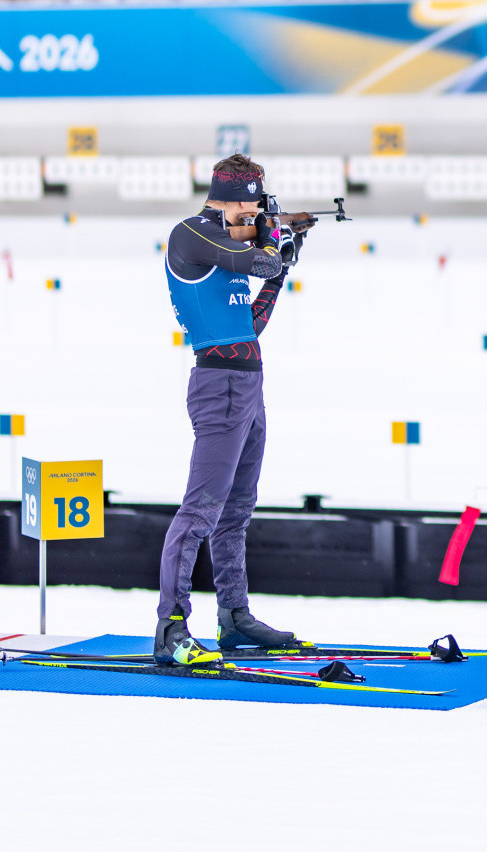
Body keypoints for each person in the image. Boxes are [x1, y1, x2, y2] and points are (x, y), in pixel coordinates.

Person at [154, 155, 311, 665]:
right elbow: (259, 259)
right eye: (255, 201)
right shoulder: (193, 235)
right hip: (219, 386)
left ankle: (234, 616)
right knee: (200, 511)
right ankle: (171, 628)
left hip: (247, 384)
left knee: (237, 512)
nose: (259, 210)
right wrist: (271, 240)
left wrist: (284, 262)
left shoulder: (229, 247)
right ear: (235, 197)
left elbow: (249, 324)